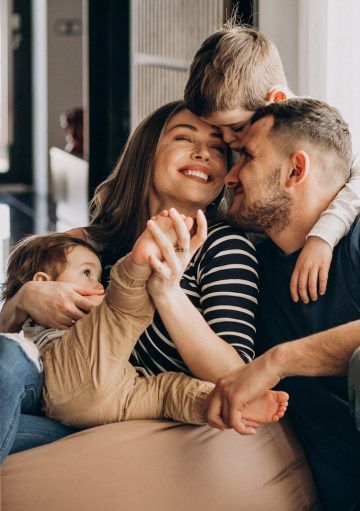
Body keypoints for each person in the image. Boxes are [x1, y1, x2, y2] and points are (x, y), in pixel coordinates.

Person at [0, 101, 261, 457]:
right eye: (185, 138)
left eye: (217, 148)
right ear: (147, 153)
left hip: (134, 421)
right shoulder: (91, 243)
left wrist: (167, 293)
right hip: (55, 404)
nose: (203, 154)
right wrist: (23, 299)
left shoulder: (223, 245)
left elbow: (235, 374)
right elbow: (10, 341)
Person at [202, 98, 360, 511]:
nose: (230, 176)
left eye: (247, 157)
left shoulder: (355, 240)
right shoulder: (249, 268)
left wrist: (277, 361)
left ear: (296, 170)